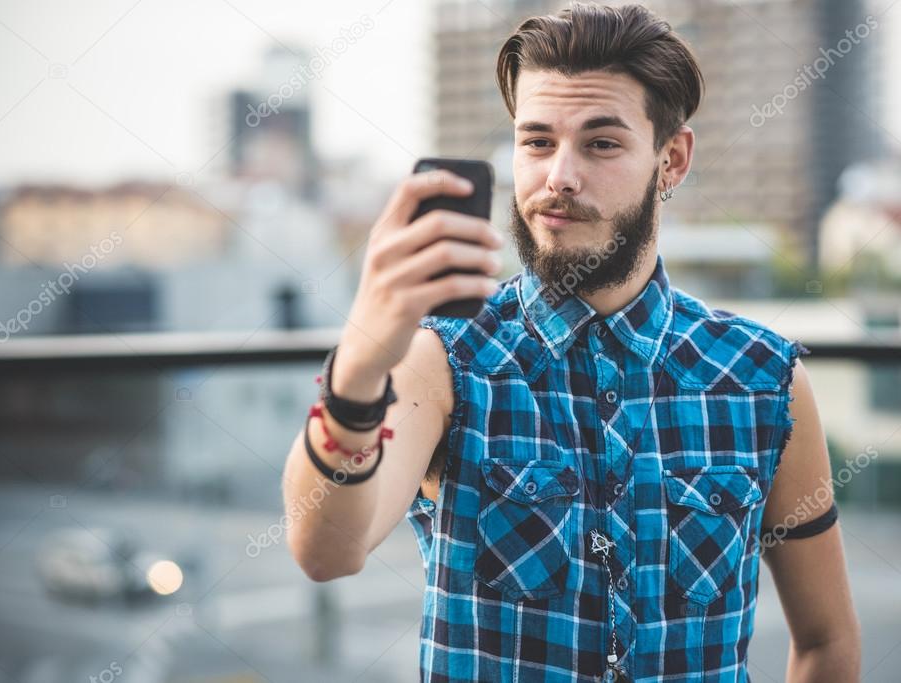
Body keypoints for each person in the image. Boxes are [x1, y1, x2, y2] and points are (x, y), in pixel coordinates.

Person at [283, 3, 861, 681]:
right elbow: (325, 550)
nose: (558, 176)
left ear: (670, 160)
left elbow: (826, 640)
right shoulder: (443, 364)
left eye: (600, 143)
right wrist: (358, 364)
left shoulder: (762, 379)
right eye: (535, 141)